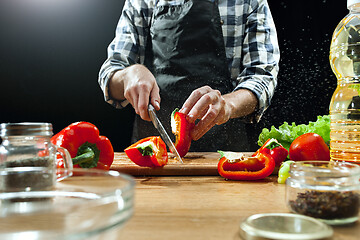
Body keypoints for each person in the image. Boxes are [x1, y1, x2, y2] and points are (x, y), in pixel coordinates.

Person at [98, 0, 280, 152]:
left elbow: (262, 77)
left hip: (225, 153)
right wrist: (130, 74)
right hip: (153, 152)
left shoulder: (250, 2)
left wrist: (228, 105)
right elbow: (111, 73)